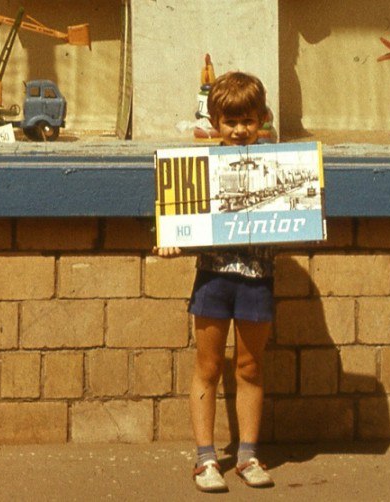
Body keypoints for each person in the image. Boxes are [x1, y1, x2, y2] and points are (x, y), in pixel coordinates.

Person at [156, 71, 275, 493]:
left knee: (249, 366)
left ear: (262, 119)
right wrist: (172, 242)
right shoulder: (200, 166)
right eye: (231, 122)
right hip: (212, 278)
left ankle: (248, 455)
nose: (241, 130)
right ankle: (206, 458)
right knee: (207, 366)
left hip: (257, 278)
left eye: (249, 121)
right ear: (216, 123)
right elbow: (182, 220)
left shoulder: (277, 164)